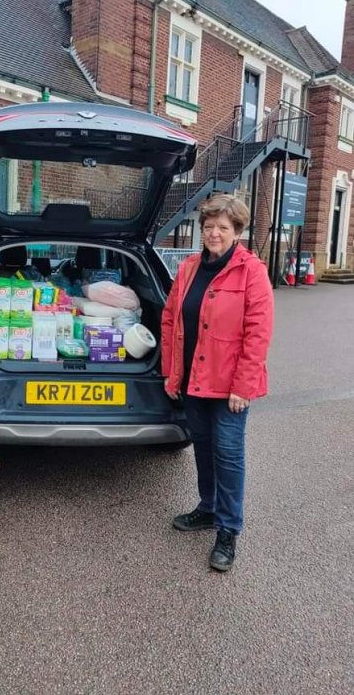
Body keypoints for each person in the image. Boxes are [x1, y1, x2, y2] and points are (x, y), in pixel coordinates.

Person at [161, 194, 273, 572]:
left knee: (228, 457)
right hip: (193, 380)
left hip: (229, 388)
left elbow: (258, 332)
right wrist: (171, 372)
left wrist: (243, 386)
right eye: (208, 227)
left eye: (222, 228)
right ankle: (207, 509)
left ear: (237, 232)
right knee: (204, 450)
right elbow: (170, 319)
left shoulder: (252, 271)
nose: (214, 234)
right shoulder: (189, 267)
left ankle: (228, 530)